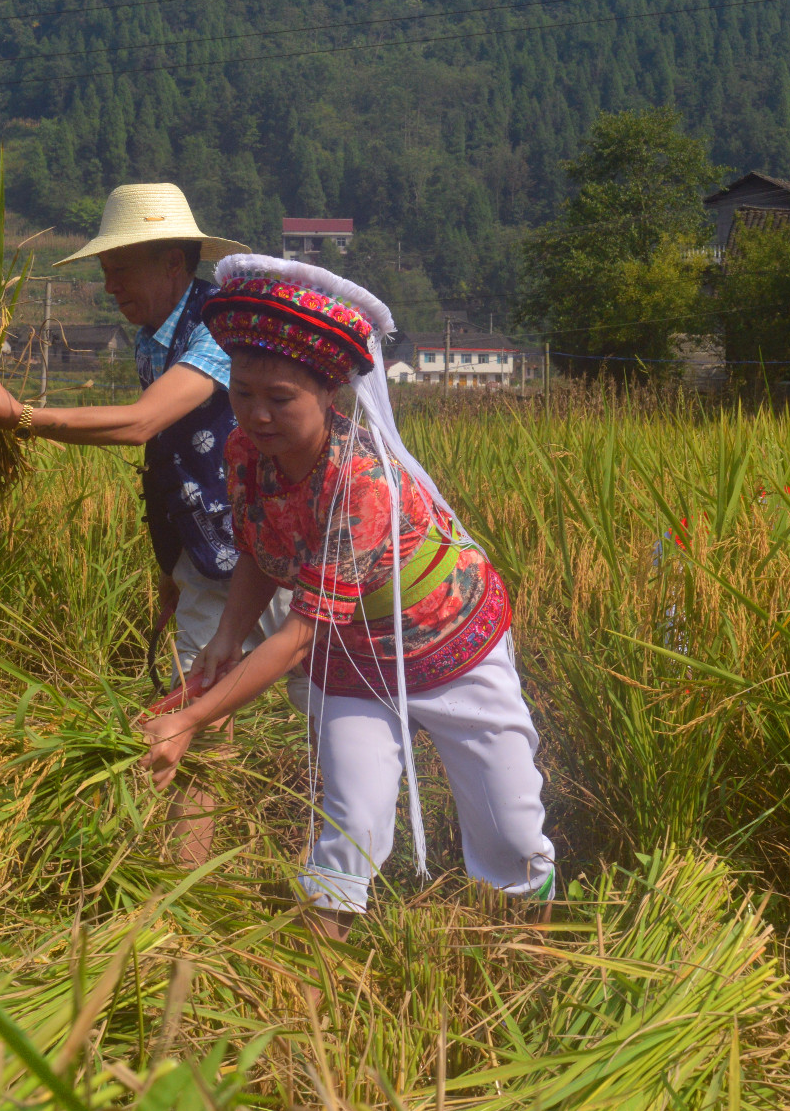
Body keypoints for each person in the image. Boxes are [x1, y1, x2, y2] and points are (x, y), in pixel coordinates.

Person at [137, 254, 556, 931]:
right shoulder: (244, 453)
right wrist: (223, 636)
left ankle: (537, 944)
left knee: (511, 833)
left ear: (327, 396)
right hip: (354, 658)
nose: (258, 415)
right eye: (243, 393)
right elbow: (262, 551)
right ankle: (318, 982)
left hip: (450, 644)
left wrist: (189, 719)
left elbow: (297, 636)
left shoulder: (360, 482)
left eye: (280, 399)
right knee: (350, 820)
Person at [0, 183, 290, 679]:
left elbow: (142, 422)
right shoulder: (149, 340)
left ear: (173, 262)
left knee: (320, 691)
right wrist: (172, 564)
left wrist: (20, 417)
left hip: (272, 547)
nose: (111, 287)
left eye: (122, 270)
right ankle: (210, 757)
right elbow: (165, 454)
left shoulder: (223, 324)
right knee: (198, 697)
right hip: (204, 551)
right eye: (106, 272)